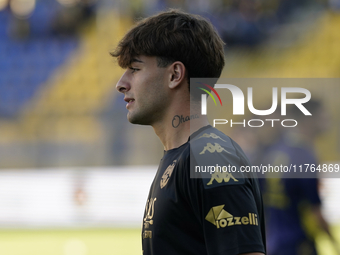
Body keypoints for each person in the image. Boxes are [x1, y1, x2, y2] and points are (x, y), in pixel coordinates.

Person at [111, 9, 266, 255]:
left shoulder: (211, 158)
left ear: (174, 75)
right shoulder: (182, 156)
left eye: (135, 69)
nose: (121, 84)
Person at [260, 100, 339, 255]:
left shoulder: (276, 149)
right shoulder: (304, 155)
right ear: (309, 119)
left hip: (273, 243)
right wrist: (334, 244)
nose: (328, 121)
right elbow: (314, 210)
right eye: (323, 116)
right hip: (298, 244)